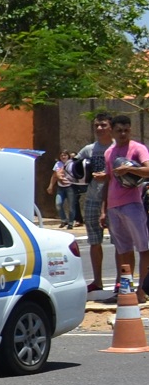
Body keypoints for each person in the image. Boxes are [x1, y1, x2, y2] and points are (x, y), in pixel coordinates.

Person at [104, 115, 149, 290]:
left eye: (126, 130)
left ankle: (142, 290)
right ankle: (127, 289)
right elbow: (109, 180)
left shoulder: (138, 148)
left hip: (132, 204)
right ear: (112, 131)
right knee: (123, 251)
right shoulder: (109, 152)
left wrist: (130, 169)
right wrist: (103, 209)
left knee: (143, 247)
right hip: (113, 206)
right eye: (119, 130)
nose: (123, 133)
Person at [81, 113, 114, 292]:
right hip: (92, 198)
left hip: (114, 200)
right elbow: (73, 166)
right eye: (96, 125)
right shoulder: (88, 149)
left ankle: (120, 281)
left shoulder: (117, 148)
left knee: (119, 242)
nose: (99, 128)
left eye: (103, 125)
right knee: (94, 241)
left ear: (111, 127)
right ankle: (97, 280)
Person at [52, 150, 78, 229]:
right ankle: (63, 220)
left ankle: (70, 222)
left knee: (71, 206)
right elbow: (55, 175)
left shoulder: (72, 163)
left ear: (68, 156)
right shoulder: (58, 164)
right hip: (61, 187)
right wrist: (51, 186)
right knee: (58, 204)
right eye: (61, 155)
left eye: (65, 155)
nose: (63, 157)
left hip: (70, 187)